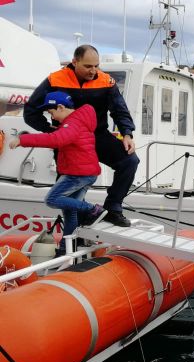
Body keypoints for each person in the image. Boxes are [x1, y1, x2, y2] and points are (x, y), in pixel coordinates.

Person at [24, 44, 138, 227]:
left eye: (96, 66)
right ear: (74, 62)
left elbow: (120, 110)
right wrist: (50, 130)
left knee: (130, 161)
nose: (93, 71)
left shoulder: (106, 81)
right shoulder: (55, 80)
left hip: (98, 136)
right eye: (88, 66)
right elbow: (30, 111)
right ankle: (76, 231)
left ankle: (113, 209)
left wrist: (127, 133)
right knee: (67, 191)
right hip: (68, 141)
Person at [10, 92, 106, 254]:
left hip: (78, 174)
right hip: (85, 172)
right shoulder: (76, 121)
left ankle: (92, 209)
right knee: (70, 212)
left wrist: (23, 140)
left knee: (52, 199)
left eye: (52, 112)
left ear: (61, 107)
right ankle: (66, 249)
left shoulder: (73, 123)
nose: (52, 117)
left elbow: (56, 140)